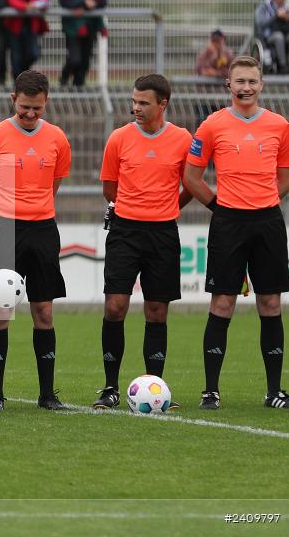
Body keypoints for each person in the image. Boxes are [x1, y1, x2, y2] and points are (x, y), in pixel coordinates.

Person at [183, 55, 289, 410]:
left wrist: (263, 202)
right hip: (228, 223)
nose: (246, 88)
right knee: (222, 302)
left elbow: (287, 177)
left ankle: (274, 391)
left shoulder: (281, 127)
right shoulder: (211, 126)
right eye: (239, 82)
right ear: (228, 86)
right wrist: (221, 208)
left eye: (252, 81)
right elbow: (191, 177)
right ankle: (211, 390)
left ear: (261, 85)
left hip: (267, 223)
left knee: (271, 302)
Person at [0, 70, 71, 411]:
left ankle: (47, 395)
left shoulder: (58, 138)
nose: (30, 114)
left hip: (43, 229)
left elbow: (54, 184)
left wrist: (33, 207)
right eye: (25, 107)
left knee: (44, 311)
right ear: (13, 99)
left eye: (37, 109)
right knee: (1, 310)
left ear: (47, 103)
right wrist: (5, 207)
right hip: (4, 228)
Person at [94, 74, 192, 410]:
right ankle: (109, 388)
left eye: (143, 102)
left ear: (162, 103)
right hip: (125, 231)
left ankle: (156, 388)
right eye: (134, 101)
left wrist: (166, 208)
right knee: (115, 306)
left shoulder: (181, 139)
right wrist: (135, 208)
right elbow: (110, 187)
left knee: (156, 310)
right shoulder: (119, 138)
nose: (136, 107)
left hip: (163, 233)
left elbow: (191, 182)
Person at [59, 0, 107, 87]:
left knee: (85, 60)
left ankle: (78, 86)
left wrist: (90, 6)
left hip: (90, 26)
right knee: (75, 58)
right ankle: (63, 79)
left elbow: (102, 0)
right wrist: (83, 2)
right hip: (73, 28)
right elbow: (64, 1)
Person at [5, 0, 49, 78]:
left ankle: (22, 75)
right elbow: (12, 0)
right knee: (16, 57)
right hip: (16, 25)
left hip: (32, 25)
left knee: (33, 53)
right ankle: (17, 83)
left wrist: (36, 5)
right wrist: (27, 6)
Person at [255, 0, 289, 74]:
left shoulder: (286, 7)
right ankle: (282, 65)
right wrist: (276, 16)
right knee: (279, 37)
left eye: (283, 0)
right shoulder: (263, 7)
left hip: (286, 33)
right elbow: (261, 24)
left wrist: (288, 19)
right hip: (269, 35)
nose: (282, 2)